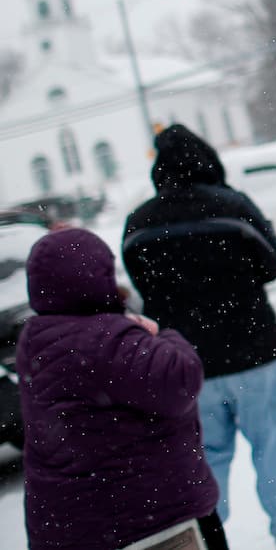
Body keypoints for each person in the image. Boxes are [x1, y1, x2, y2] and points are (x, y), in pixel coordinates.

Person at [122, 125, 276, 550]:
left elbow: (139, 284)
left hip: (185, 365)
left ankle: (208, 533)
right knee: (270, 442)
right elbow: (274, 263)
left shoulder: (139, 222)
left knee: (207, 455)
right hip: (251, 351)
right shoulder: (233, 206)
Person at [16, 227, 228, 550]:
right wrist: (163, 336)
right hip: (148, 523)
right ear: (93, 276)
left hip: (73, 529)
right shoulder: (106, 339)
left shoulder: (35, 338)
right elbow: (181, 378)